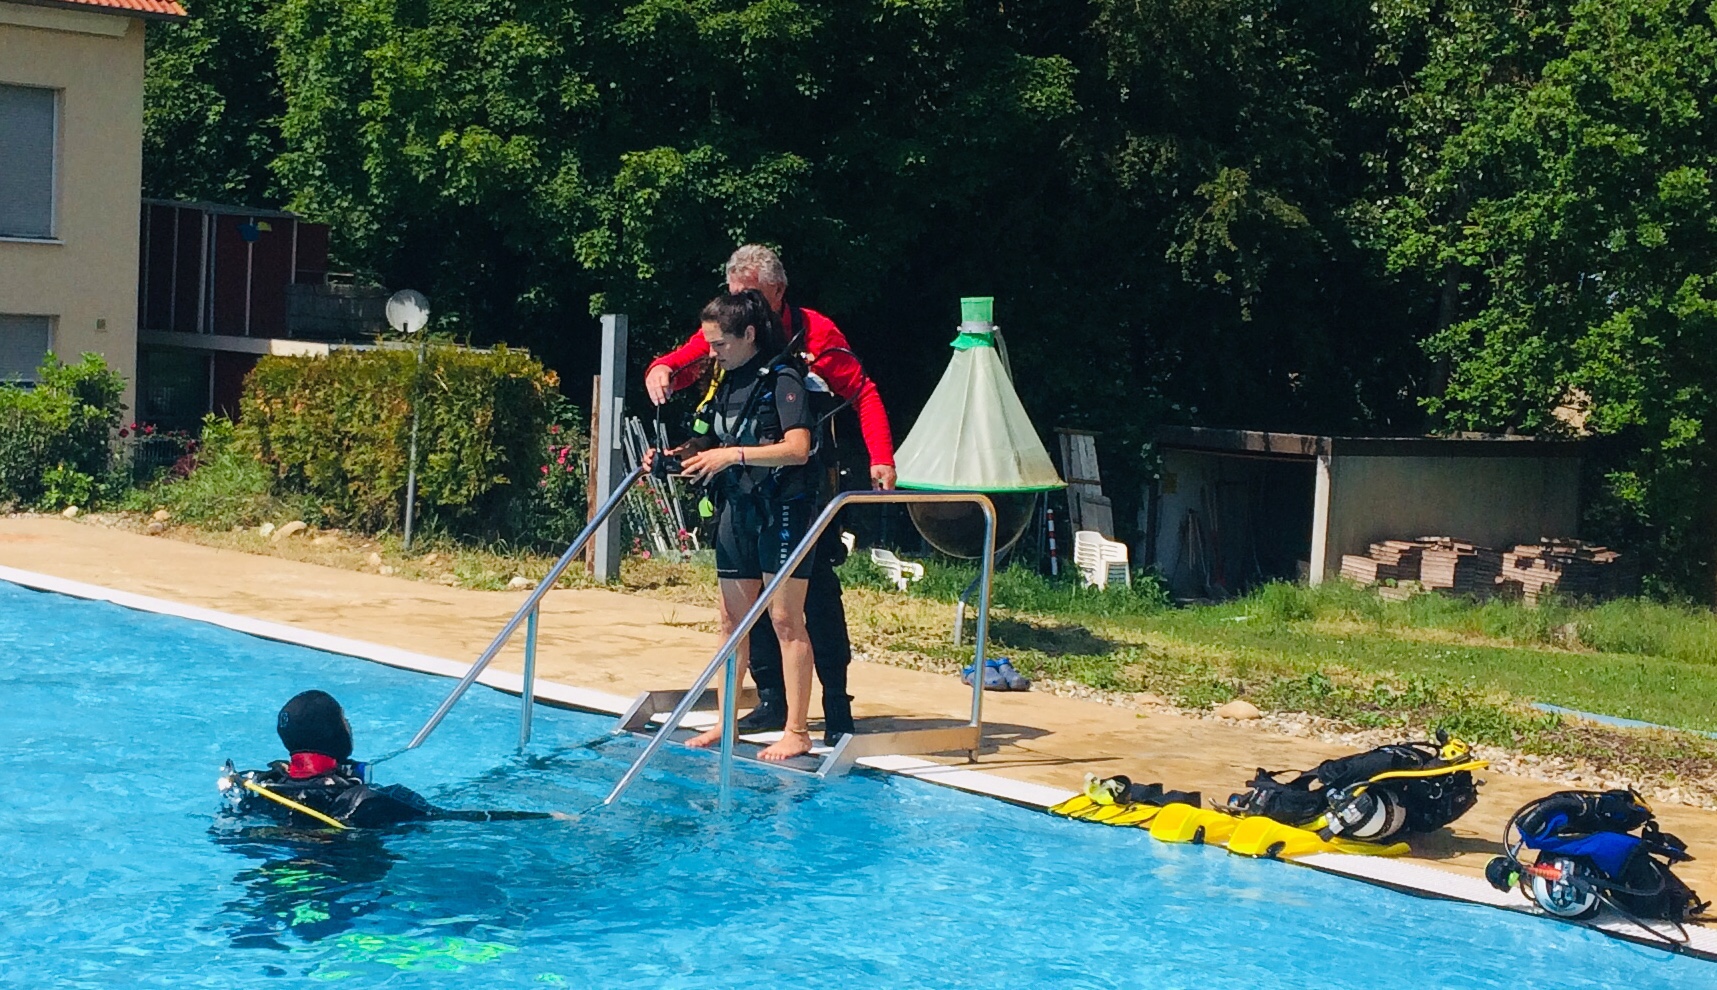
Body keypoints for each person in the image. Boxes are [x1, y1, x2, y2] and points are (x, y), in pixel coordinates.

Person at [645, 245, 889, 743]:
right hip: (746, 494)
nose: (739, 304)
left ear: (776, 292)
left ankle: (833, 706)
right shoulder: (731, 343)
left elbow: (861, 393)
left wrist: (881, 456)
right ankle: (770, 702)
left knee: (807, 601)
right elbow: (690, 359)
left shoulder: (810, 339)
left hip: (802, 489)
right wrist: (661, 369)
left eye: (749, 295)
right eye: (733, 294)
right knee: (739, 611)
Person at [648, 289, 819, 760]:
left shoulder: (783, 379)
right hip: (737, 509)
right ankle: (727, 722)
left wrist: (733, 456)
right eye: (709, 344)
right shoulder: (724, 382)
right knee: (730, 622)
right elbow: (703, 443)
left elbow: (798, 448)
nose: (711, 353)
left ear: (748, 335)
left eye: (719, 344)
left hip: (783, 509)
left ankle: (797, 730)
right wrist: (669, 458)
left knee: (786, 621)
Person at [220, 690, 558, 828]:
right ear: (332, 732)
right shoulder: (368, 800)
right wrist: (547, 816)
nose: (348, 726)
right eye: (343, 720)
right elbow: (453, 818)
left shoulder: (260, 786)